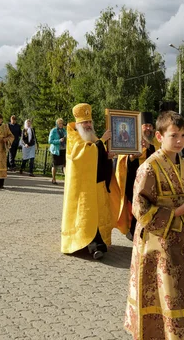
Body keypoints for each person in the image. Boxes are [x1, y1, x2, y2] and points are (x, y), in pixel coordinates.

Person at [124, 111, 184, 339]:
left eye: (183, 135)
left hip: (181, 242)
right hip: (156, 244)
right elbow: (139, 208)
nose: (180, 140)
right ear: (159, 137)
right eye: (173, 135)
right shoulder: (149, 168)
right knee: (162, 293)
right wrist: (175, 212)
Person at [60, 103, 114, 260]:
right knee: (86, 215)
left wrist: (107, 156)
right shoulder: (73, 137)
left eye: (89, 122)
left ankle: (98, 244)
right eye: (85, 122)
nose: (88, 125)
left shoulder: (92, 137)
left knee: (97, 216)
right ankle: (93, 246)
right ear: (78, 124)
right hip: (83, 188)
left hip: (97, 184)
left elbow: (97, 153)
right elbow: (83, 155)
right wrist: (102, 142)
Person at [111, 112, 161, 241]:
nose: (148, 129)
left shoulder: (155, 143)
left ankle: (146, 230)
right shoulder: (131, 140)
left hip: (151, 182)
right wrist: (132, 157)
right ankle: (133, 231)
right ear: (140, 127)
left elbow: (160, 158)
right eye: (146, 126)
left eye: (150, 126)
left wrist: (149, 148)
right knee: (135, 206)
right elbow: (123, 160)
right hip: (133, 180)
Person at [48, 118, 66, 185]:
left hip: (63, 149)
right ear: (57, 124)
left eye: (62, 123)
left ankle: (66, 180)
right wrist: (58, 141)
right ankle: (53, 178)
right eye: (60, 123)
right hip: (56, 150)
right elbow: (50, 141)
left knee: (64, 165)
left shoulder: (64, 131)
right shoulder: (53, 131)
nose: (61, 125)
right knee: (55, 165)